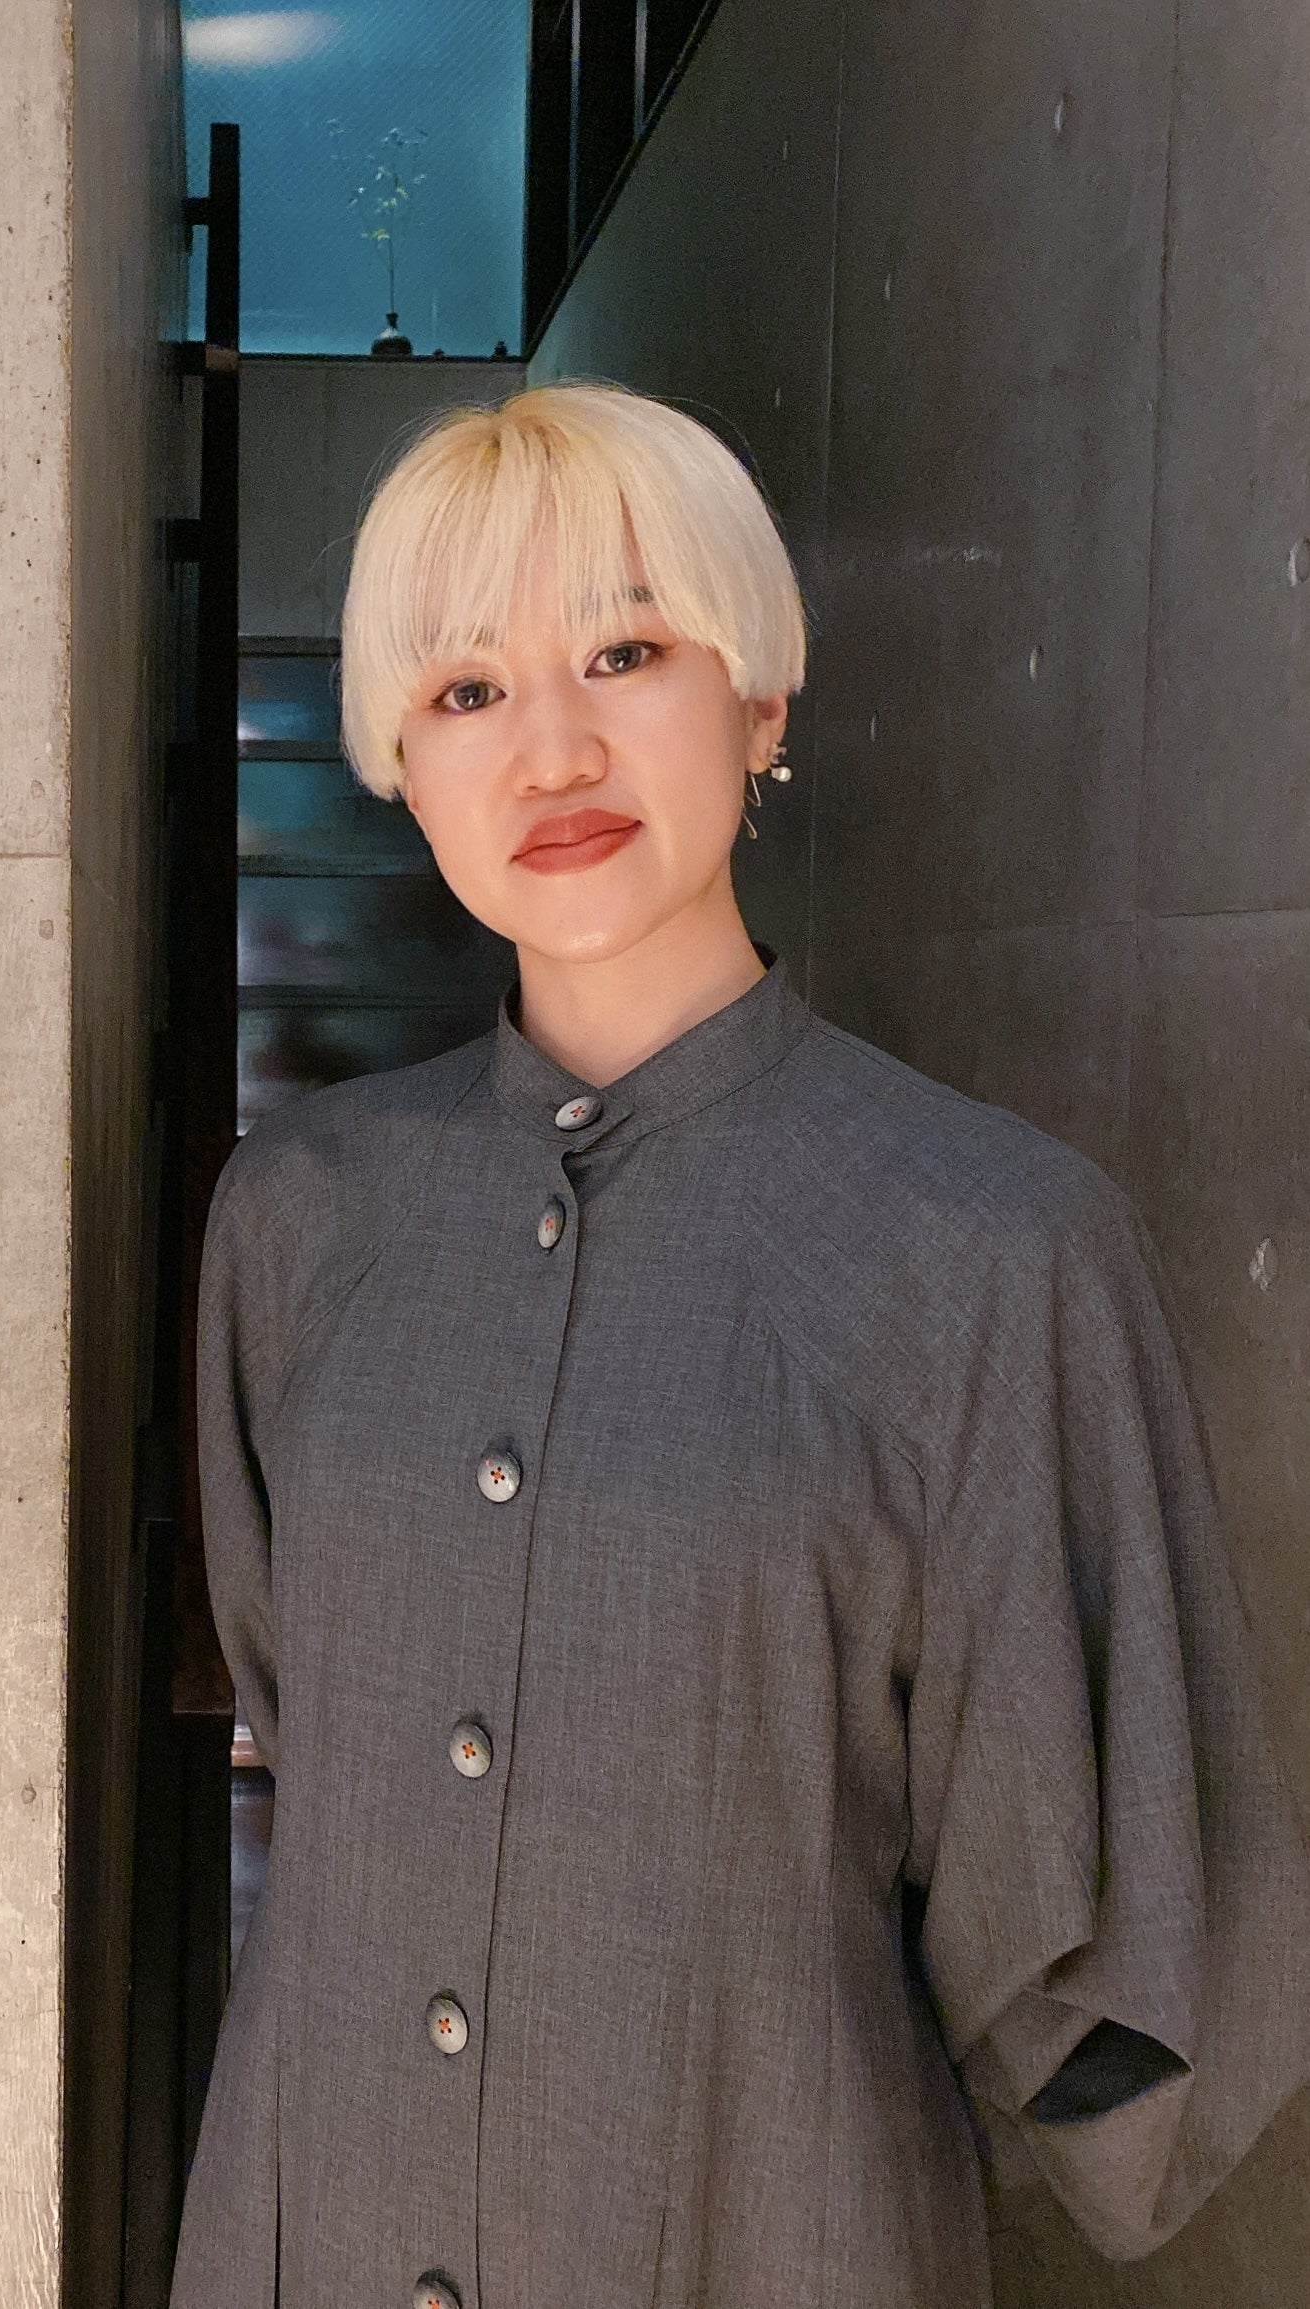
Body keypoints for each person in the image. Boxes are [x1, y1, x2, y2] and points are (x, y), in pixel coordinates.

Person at [169, 382, 1310, 2309]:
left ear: (760, 698)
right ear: (400, 762)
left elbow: (1112, 1957)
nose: (554, 749)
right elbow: (324, 1717)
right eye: (467, 689)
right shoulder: (296, 1220)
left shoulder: (990, 1247)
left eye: (626, 652)